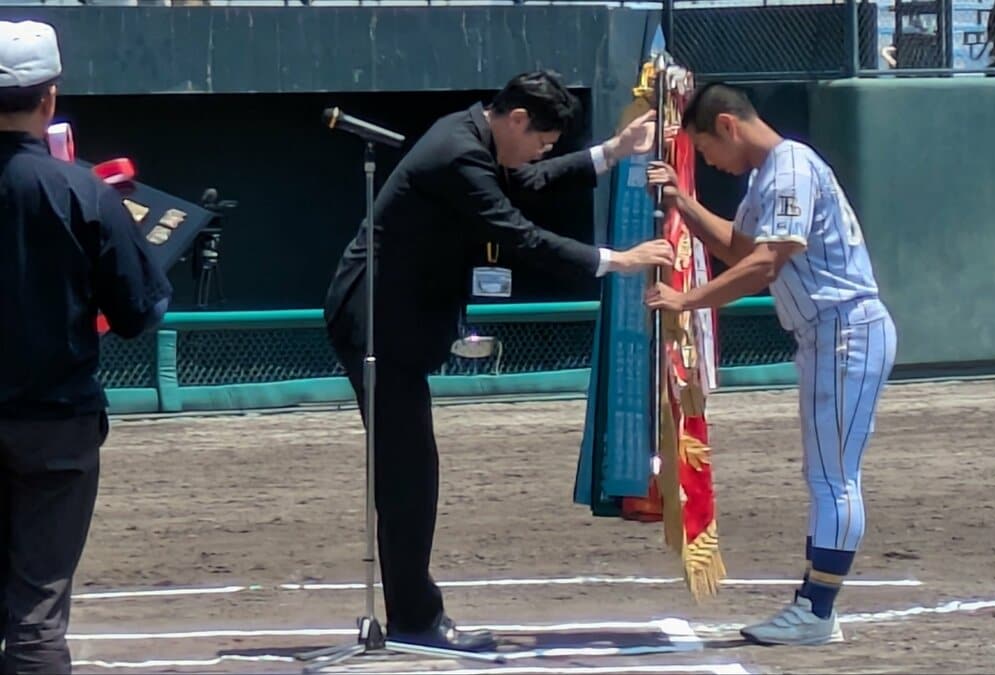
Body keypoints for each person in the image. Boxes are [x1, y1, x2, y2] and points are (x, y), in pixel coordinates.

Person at [323, 70, 673, 652]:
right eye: (541, 138)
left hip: (395, 321)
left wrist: (611, 154)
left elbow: (527, 182)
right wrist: (618, 260)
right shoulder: (459, 152)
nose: (542, 152)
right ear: (515, 120)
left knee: (411, 471)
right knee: (408, 475)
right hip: (376, 322)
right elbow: (519, 233)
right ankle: (414, 620)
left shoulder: (471, 137)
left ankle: (414, 613)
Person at [644, 83, 897, 646]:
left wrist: (687, 300)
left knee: (834, 477)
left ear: (729, 126)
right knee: (827, 475)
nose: (710, 161)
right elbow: (741, 248)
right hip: (828, 331)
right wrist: (684, 203)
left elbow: (764, 264)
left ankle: (815, 610)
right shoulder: (770, 174)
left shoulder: (790, 166)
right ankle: (815, 606)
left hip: (844, 328)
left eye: (708, 148)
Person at [0, 20, 172, 674]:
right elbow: (138, 314)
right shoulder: (82, 190)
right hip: (55, 424)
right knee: (37, 613)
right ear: (50, 99)